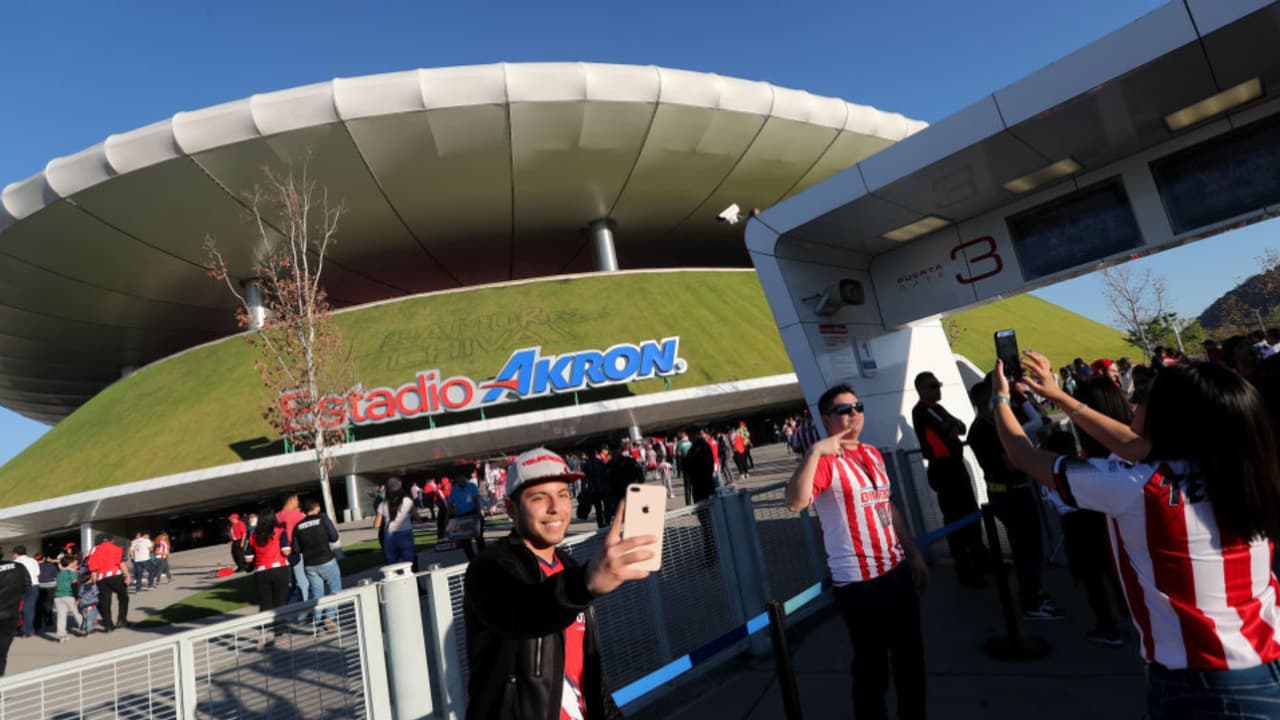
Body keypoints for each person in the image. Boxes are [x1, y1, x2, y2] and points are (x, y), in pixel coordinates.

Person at [991, 350, 1280, 718]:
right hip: (1262, 658)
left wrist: (999, 399)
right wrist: (1060, 397)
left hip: (1205, 684)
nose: (1132, 403)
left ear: (1169, 417)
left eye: (1143, 398)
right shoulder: (1246, 470)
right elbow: (1131, 444)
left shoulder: (1138, 486)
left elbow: (1023, 456)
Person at [463, 447, 655, 720]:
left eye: (563, 494)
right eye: (539, 498)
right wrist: (585, 583)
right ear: (511, 509)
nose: (555, 508)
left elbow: (586, 675)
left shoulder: (569, 565)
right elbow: (524, 612)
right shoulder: (488, 567)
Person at [785, 384, 928, 720]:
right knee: (872, 671)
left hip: (895, 570)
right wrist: (814, 452)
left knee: (911, 661)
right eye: (844, 410)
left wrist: (914, 553)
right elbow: (794, 502)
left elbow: (887, 507)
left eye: (858, 407)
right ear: (826, 419)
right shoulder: (824, 461)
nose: (854, 414)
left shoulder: (872, 454)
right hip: (860, 582)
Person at [967, 378, 1059, 620]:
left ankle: (1033, 594)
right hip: (1013, 493)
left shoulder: (980, 428)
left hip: (1005, 493)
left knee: (1024, 547)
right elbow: (1013, 461)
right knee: (1028, 548)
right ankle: (1032, 601)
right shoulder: (990, 429)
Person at [910, 372, 989, 587]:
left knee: (970, 513)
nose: (938, 389)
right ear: (921, 390)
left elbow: (960, 427)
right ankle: (965, 570)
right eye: (933, 386)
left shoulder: (936, 408)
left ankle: (980, 559)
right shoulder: (924, 410)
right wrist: (951, 426)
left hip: (953, 468)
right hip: (945, 470)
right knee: (956, 520)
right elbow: (947, 427)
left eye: (939, 384)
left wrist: (952, 426)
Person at [292, 498, 342, 630]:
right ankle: (330, 617)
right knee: (335, 590)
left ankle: (318, 624)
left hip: (310, 565)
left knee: (317, 595)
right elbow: (334, 537)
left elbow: (296, 549)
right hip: (327, 560)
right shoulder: (323, 519)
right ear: (317, 507)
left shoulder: (298, 526)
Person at [86, 535, 130, 632]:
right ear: (111, 540)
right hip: (115, 576)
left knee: (105, 602)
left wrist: (94, 583)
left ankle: (108, 626)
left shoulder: (94, 552)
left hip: (101, 579)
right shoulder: (116, 548)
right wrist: (127, 575)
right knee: (123, 597)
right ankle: (122, 620)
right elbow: (122, 563)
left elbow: (93, 570)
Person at [375, 478, 417, 566]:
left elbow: (376, 524)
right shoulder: (408, 501)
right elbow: (416, 517)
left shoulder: (383, 504)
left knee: (393, 566)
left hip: (390, 535)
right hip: (406, 533)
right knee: (409, 564)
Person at [0, 550, 30, 675]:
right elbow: (27, 587)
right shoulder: (18, 567)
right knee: (2, 653)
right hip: (11, 615)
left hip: (9, 613)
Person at [447, 473, 487, 560]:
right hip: (461, 517)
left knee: (479, 538)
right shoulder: (454, 490)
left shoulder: (472, 486)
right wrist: (448, 517)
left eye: (462, 478)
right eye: (458, 478)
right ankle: (472, 560)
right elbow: (450, 504)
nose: (461, 480)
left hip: (473, 513)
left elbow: (476, 500)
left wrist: (479, 512)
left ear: (465, 477)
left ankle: (483, 558)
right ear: (456, 479)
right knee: (465, 541)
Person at [278, 494, 308, 605]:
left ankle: (282, 606)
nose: (298, 502)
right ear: (292, 500)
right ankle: (304, 609)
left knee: (292, 583)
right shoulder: (296, 515)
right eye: (297, 499)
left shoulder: (277, 516)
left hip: (281, 554)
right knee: (302, 582)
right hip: (295, 550)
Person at [53, 556, 83, 643]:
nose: (75, 563)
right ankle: (83, 629)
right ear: (70, 563)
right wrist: (77, 597)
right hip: (69, 595)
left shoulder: (59, 573)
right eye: (74, 562)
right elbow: (74, 585)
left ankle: (61, 636)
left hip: (58, 596)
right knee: (76, 613)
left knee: (61, 616)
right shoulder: (71, 572)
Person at [12, 547, 40, 637]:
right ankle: (28, 629)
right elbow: (37, 573)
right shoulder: (33, 560)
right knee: (30, 608)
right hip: (34, 585)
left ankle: (26, 630)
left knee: (22, 608)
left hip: (21, 586)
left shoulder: (15, 563)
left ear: (16, 554)